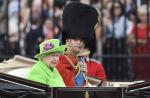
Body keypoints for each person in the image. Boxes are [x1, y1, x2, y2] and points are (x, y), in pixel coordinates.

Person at [56, 2, 98, 87]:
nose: (79, 42)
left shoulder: (80, 61)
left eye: (82, 40)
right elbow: (71, 90)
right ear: (67, 39)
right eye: (75, 39)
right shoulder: (62, 61)